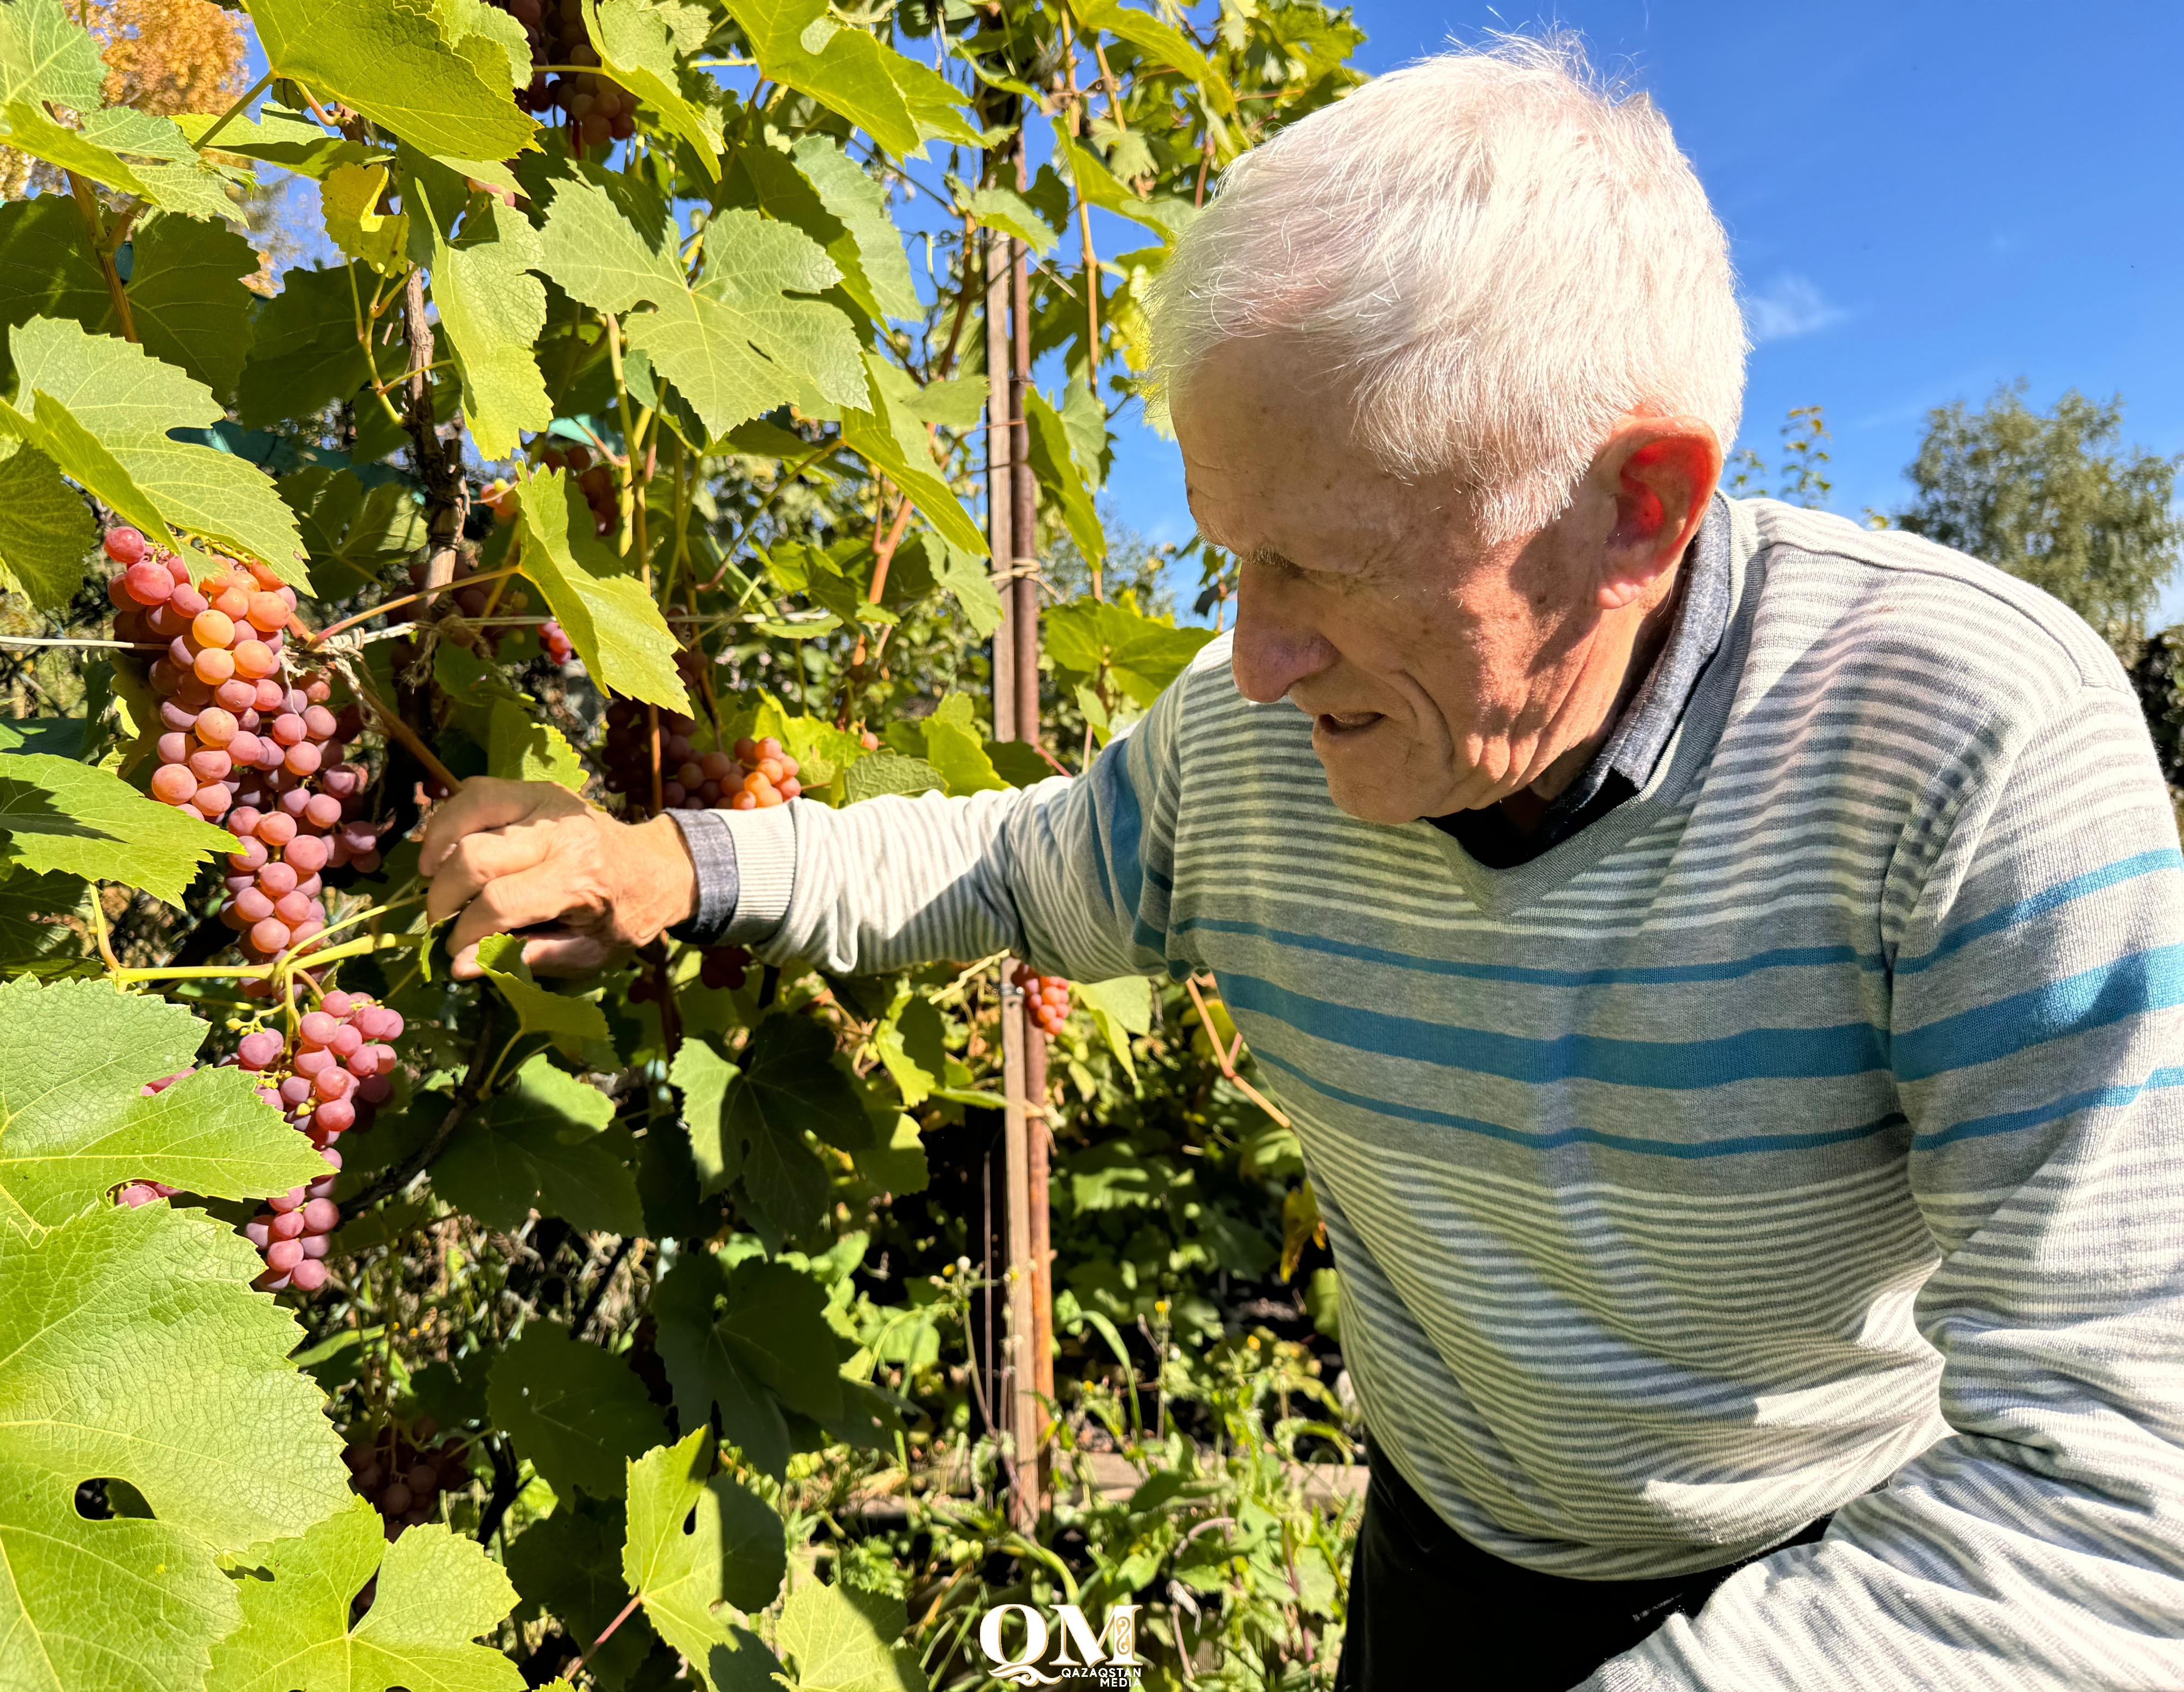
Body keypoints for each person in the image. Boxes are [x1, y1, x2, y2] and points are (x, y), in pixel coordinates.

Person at [419, 35, 2184, 1692]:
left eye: (1325, 567)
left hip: (1867, 1594)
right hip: (1450, 1562)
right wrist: (673, 865)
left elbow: (2122, 1495)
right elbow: (1016, 866)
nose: (1254, 660)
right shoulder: (1249, 742)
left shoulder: (1968, 748)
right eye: (1229, 561)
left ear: (1640, 504)